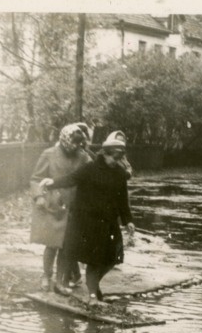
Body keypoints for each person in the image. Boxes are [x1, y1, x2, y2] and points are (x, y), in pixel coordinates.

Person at [40, 131, 135, 307]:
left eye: (119, 158)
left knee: (112, 259)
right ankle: (92, 296)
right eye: (113, 158)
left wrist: (128, 220)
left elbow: (122, 200)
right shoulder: (90, 169)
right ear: (105, 153)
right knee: (95, 259)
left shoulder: (120, 174)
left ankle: (93, 285)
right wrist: (51, 183)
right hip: (87, 221)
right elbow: (71, 179)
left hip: (109, 222)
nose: (115, 162)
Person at [30, 124, 93, 293]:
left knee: (67, 245)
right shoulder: (49, 154)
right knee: (51, 243)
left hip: (74, 205)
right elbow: (36, 178)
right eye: (72, 143)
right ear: (65, 139)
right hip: (53, 205)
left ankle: (61, 281)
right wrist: (39, 197)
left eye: (78, 144)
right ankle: (46, 275)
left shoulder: (83, 156)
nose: (75, 147)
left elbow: (92, 174)